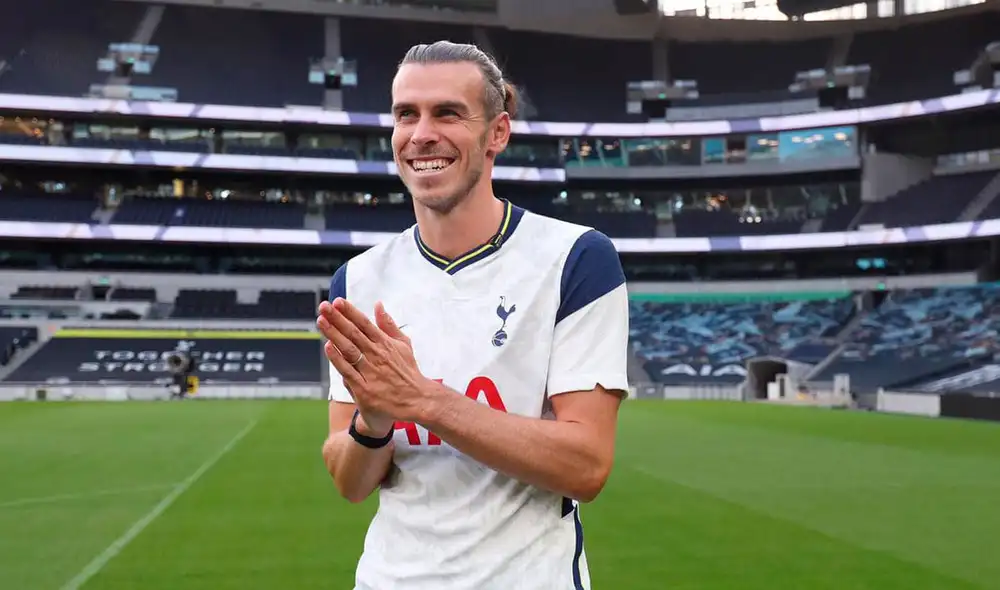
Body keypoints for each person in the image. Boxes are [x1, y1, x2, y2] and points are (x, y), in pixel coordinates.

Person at [317, 40, 629, 590]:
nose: (421, 134)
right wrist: (374, 419)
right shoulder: (358, 280)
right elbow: (351, 482)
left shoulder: (575, 258)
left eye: (448, 113)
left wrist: (423, 400)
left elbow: (586, 467)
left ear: (498, 133)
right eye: (405, 114)